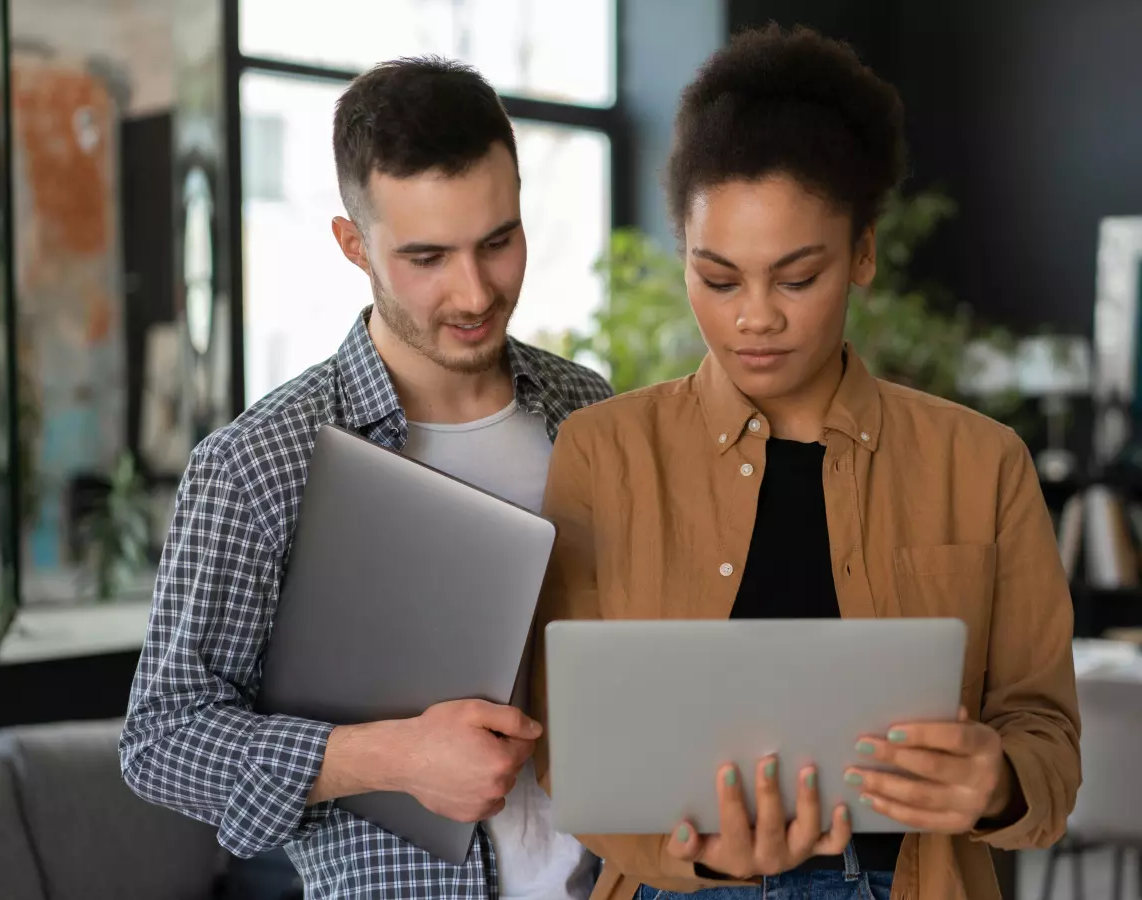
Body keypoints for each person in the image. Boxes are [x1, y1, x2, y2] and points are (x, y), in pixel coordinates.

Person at [531, 24, 1080, 900]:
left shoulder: (983, 464)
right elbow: (569, 747)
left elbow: (1048, 741)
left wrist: (1000, 779)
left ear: (862, 253)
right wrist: (707, 855)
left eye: (795, 279)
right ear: (684, 259)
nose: (755, 317)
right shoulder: (603, 454)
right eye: (718, 278)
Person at [120, 57, 610, 900]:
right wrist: (392, 757)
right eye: (427, 257)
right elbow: (161, 741)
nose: (475, 291)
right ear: (355, 245)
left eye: (499, 241)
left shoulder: (590, 411)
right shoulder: (261, 463)